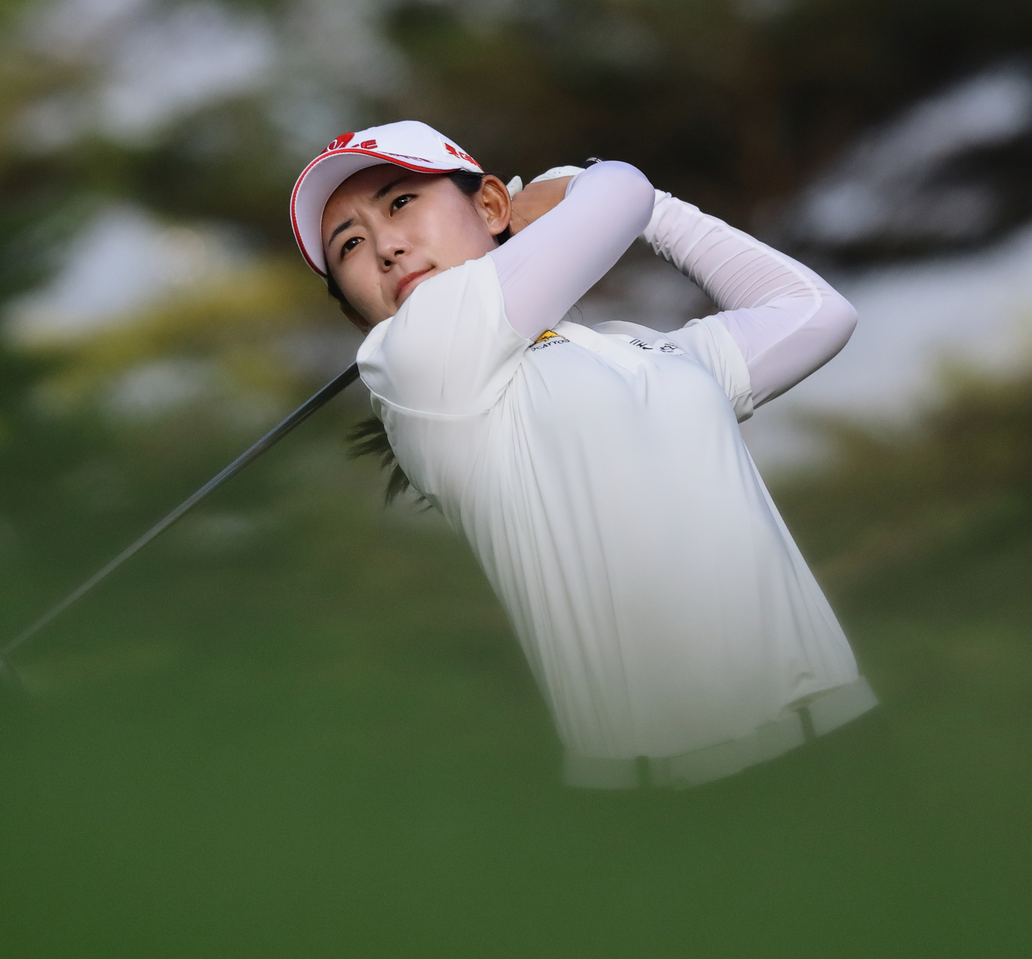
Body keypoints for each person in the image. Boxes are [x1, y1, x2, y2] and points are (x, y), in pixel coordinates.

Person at [289, 120, 877, 789]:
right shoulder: (411, 359)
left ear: (489, 204)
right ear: (355, 313)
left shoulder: (638, 351)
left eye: (400, 203)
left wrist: (656, 209)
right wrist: (573, 185)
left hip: (843, 742)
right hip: (684, 794)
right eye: (350, 245)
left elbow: (813, 311)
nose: (386, 247)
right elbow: (619, 193)